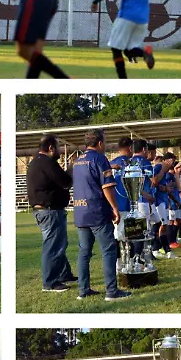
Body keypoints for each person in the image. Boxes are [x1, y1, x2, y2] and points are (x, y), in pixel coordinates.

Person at [72, 129, 130, 301]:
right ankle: (112, 291)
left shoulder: (77, 161)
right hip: (97, 211)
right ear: (99, 143)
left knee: (84, 252)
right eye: (104, 142)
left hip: (80, 212)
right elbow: (107, 187)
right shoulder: (100, 159)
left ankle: (83, 290)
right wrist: (115, 208)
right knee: (109, 249)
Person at [27, 134, 77, 292]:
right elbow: (66, 182)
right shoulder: (47, 162)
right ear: (51, 148)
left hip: (45, 210)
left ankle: (64, 274)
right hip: (50, 211)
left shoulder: (37, 162)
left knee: (59, 244)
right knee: (53, 247)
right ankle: (50, 282)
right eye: (58, 147)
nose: (60, 151)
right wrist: (71, 169)